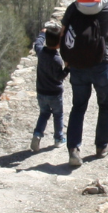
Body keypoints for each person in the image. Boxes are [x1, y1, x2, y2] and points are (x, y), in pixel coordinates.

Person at [61, 0, 108, 168]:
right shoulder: (106, 8)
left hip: (78, 66)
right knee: (105, 105)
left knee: (78, 106)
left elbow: (63, 32)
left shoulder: (73, 8)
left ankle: (74, 149)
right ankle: (102, 146)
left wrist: (66, 59)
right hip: (101, 65)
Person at [30, 21, 68, 152]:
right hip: (55, 93)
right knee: (58, 115)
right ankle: (58, 139)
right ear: (59, 44)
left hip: (41, 92)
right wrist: (67, 68)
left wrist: (42, 33)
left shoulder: (40, 52)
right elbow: (59, 76)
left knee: (44, 114)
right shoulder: (57, 60)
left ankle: (37, 134)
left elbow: (37, 44)